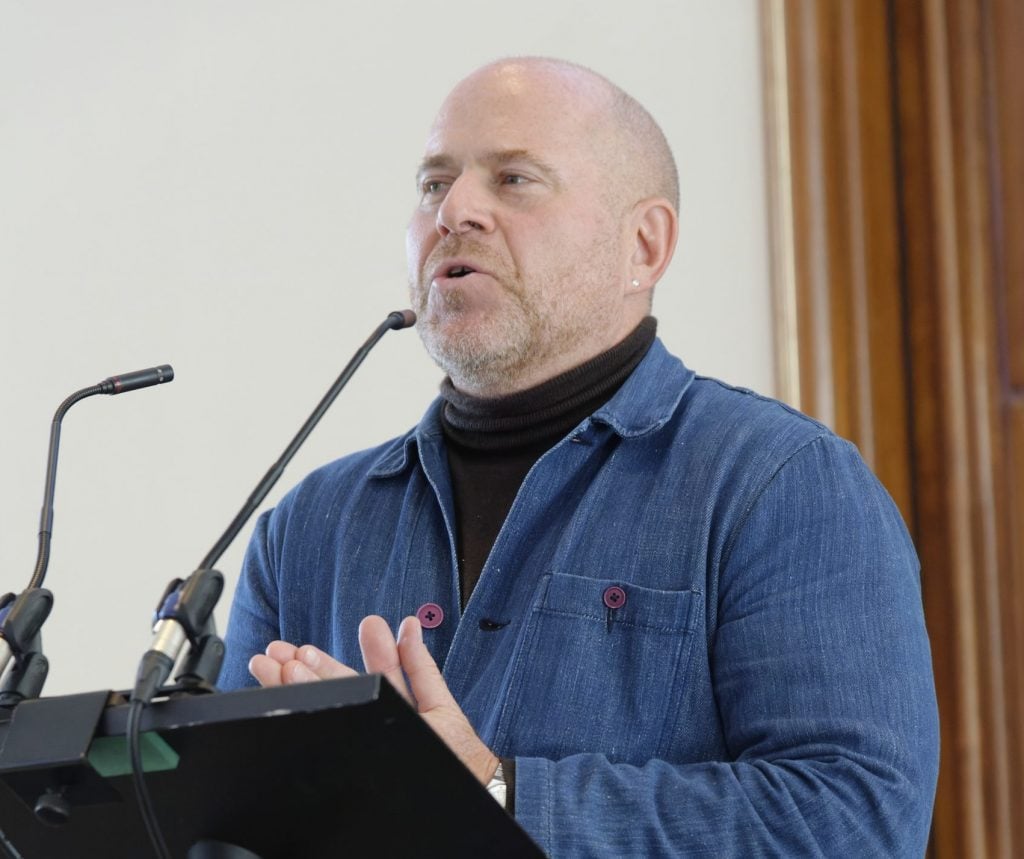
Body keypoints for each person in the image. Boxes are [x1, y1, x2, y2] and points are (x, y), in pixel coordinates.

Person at [221, 57, 940, 856]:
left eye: (515, 180)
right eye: (433, 184)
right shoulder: (307, 527)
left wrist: (498, 792)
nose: (455, 210)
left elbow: (855, 823)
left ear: (644, 243)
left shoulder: (781, 486)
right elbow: (218, 830)